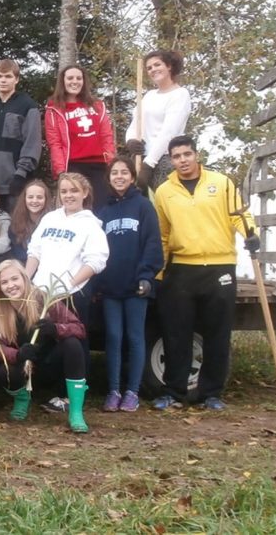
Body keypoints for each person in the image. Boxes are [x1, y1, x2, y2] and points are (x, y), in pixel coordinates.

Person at [152, 136, 258, 411]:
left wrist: (251, 234)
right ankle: (174, 392)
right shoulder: (164, 191)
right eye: (177, 156)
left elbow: (239, 214)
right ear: (171, 160)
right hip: (181, 268)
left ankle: (211, 393)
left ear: (197, 155)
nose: (183, 160)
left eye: (187, 154)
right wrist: (160, 271)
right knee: (177, 333)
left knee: (217, 333)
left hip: (220, 267)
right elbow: (163, 234)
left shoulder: (221, 183)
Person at [0, 260, 90, 433]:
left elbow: (79, 328)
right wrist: (17, 355)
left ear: (24, 279)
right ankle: (22, 399)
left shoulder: (43, 299)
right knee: (5, 371)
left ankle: (76, 412)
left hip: (49, 365)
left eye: (14, 279)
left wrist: (56, 329)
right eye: (4, 282)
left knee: (72, 344)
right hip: (23, 369)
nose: (11, 285)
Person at [95, 157, 163, 413]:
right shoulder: (105, 212)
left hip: (137, 287)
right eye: (115, 173)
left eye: (124, 172)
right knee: (113, 337)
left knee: (135, 337)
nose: (120, 176)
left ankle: (132, 391)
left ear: (132, 178)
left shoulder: (143, 206)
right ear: (109, 178)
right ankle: (113, 390)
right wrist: (98, 282)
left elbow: (153, 244)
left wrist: (146, 275)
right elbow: (97, 251)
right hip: (111, 287)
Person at [25, 172, 108, 330]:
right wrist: (26, 280)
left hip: (72, 296)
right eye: (64, 191)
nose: (68, 195)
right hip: (40, 292)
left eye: (74, 191)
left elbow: (95, 262)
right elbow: (35, 252)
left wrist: (68, 286)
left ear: (84, 193)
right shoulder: (50, 218)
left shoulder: (91, 225)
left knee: (72, 344)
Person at [44, 65, 116, 206]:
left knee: (101, 207)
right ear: (62, 81)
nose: (74, 81)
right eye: (70, 78)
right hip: (73, 165)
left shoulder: (97, 105)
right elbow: (55, 143)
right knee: (76, 207)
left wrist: (111, 162)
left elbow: (106, 136)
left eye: (79, 78)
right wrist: (61, 171)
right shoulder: (54, 109)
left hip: (99, 165)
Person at [0, 59, 42, 212]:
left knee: (14, 228)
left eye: (8, 76)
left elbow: (32, 142)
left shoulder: (27, 106)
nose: (3, 80)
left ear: (16, 79)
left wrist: (21, 173)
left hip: (14, 182)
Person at [125, 49, 192, 192]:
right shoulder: (149, 96)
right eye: (149, 68)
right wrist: (130, 140)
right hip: (141, 158)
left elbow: (168, 132)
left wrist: (149, 164)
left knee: (164, 207)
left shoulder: (180, 95)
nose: (153, 70)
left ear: (169, 66)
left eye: (157, 65)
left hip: (163, 160)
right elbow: (136, 122)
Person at [8, 179, 53, 262]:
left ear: (46, 199)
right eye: (30, 197)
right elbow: (18, 253)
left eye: (39, 197)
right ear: (24, 199)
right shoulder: (15, 224)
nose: (34, 201)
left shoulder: (54, 222)